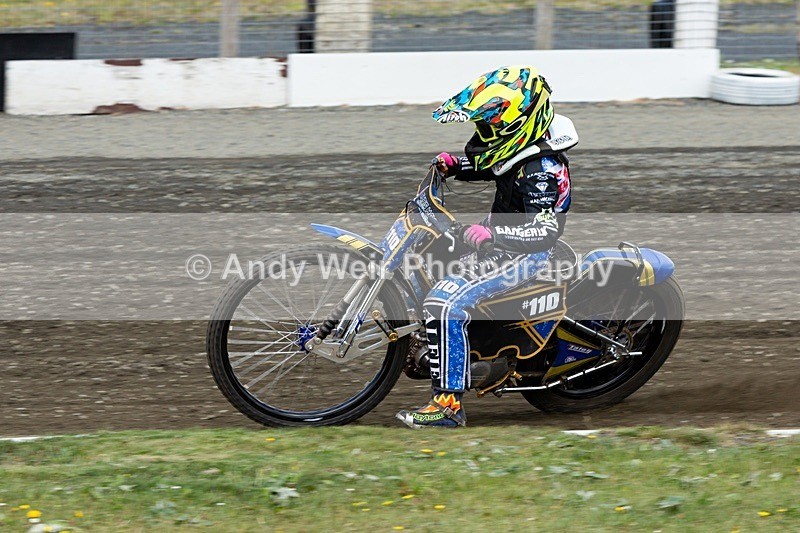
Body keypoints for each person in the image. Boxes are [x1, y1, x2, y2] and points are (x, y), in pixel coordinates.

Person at [396, 65, 578, 429]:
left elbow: (544, 231)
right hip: (501, 243)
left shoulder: (541, 170)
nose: (484, 134)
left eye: (491, 127)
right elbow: (493, 164)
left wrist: (494, 237)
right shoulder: (520, 148)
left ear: (517, 123)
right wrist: (455, 165)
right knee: (429, 254)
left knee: (443, 303)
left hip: (523, 255)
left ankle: (448, 406)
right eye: (483, 126)